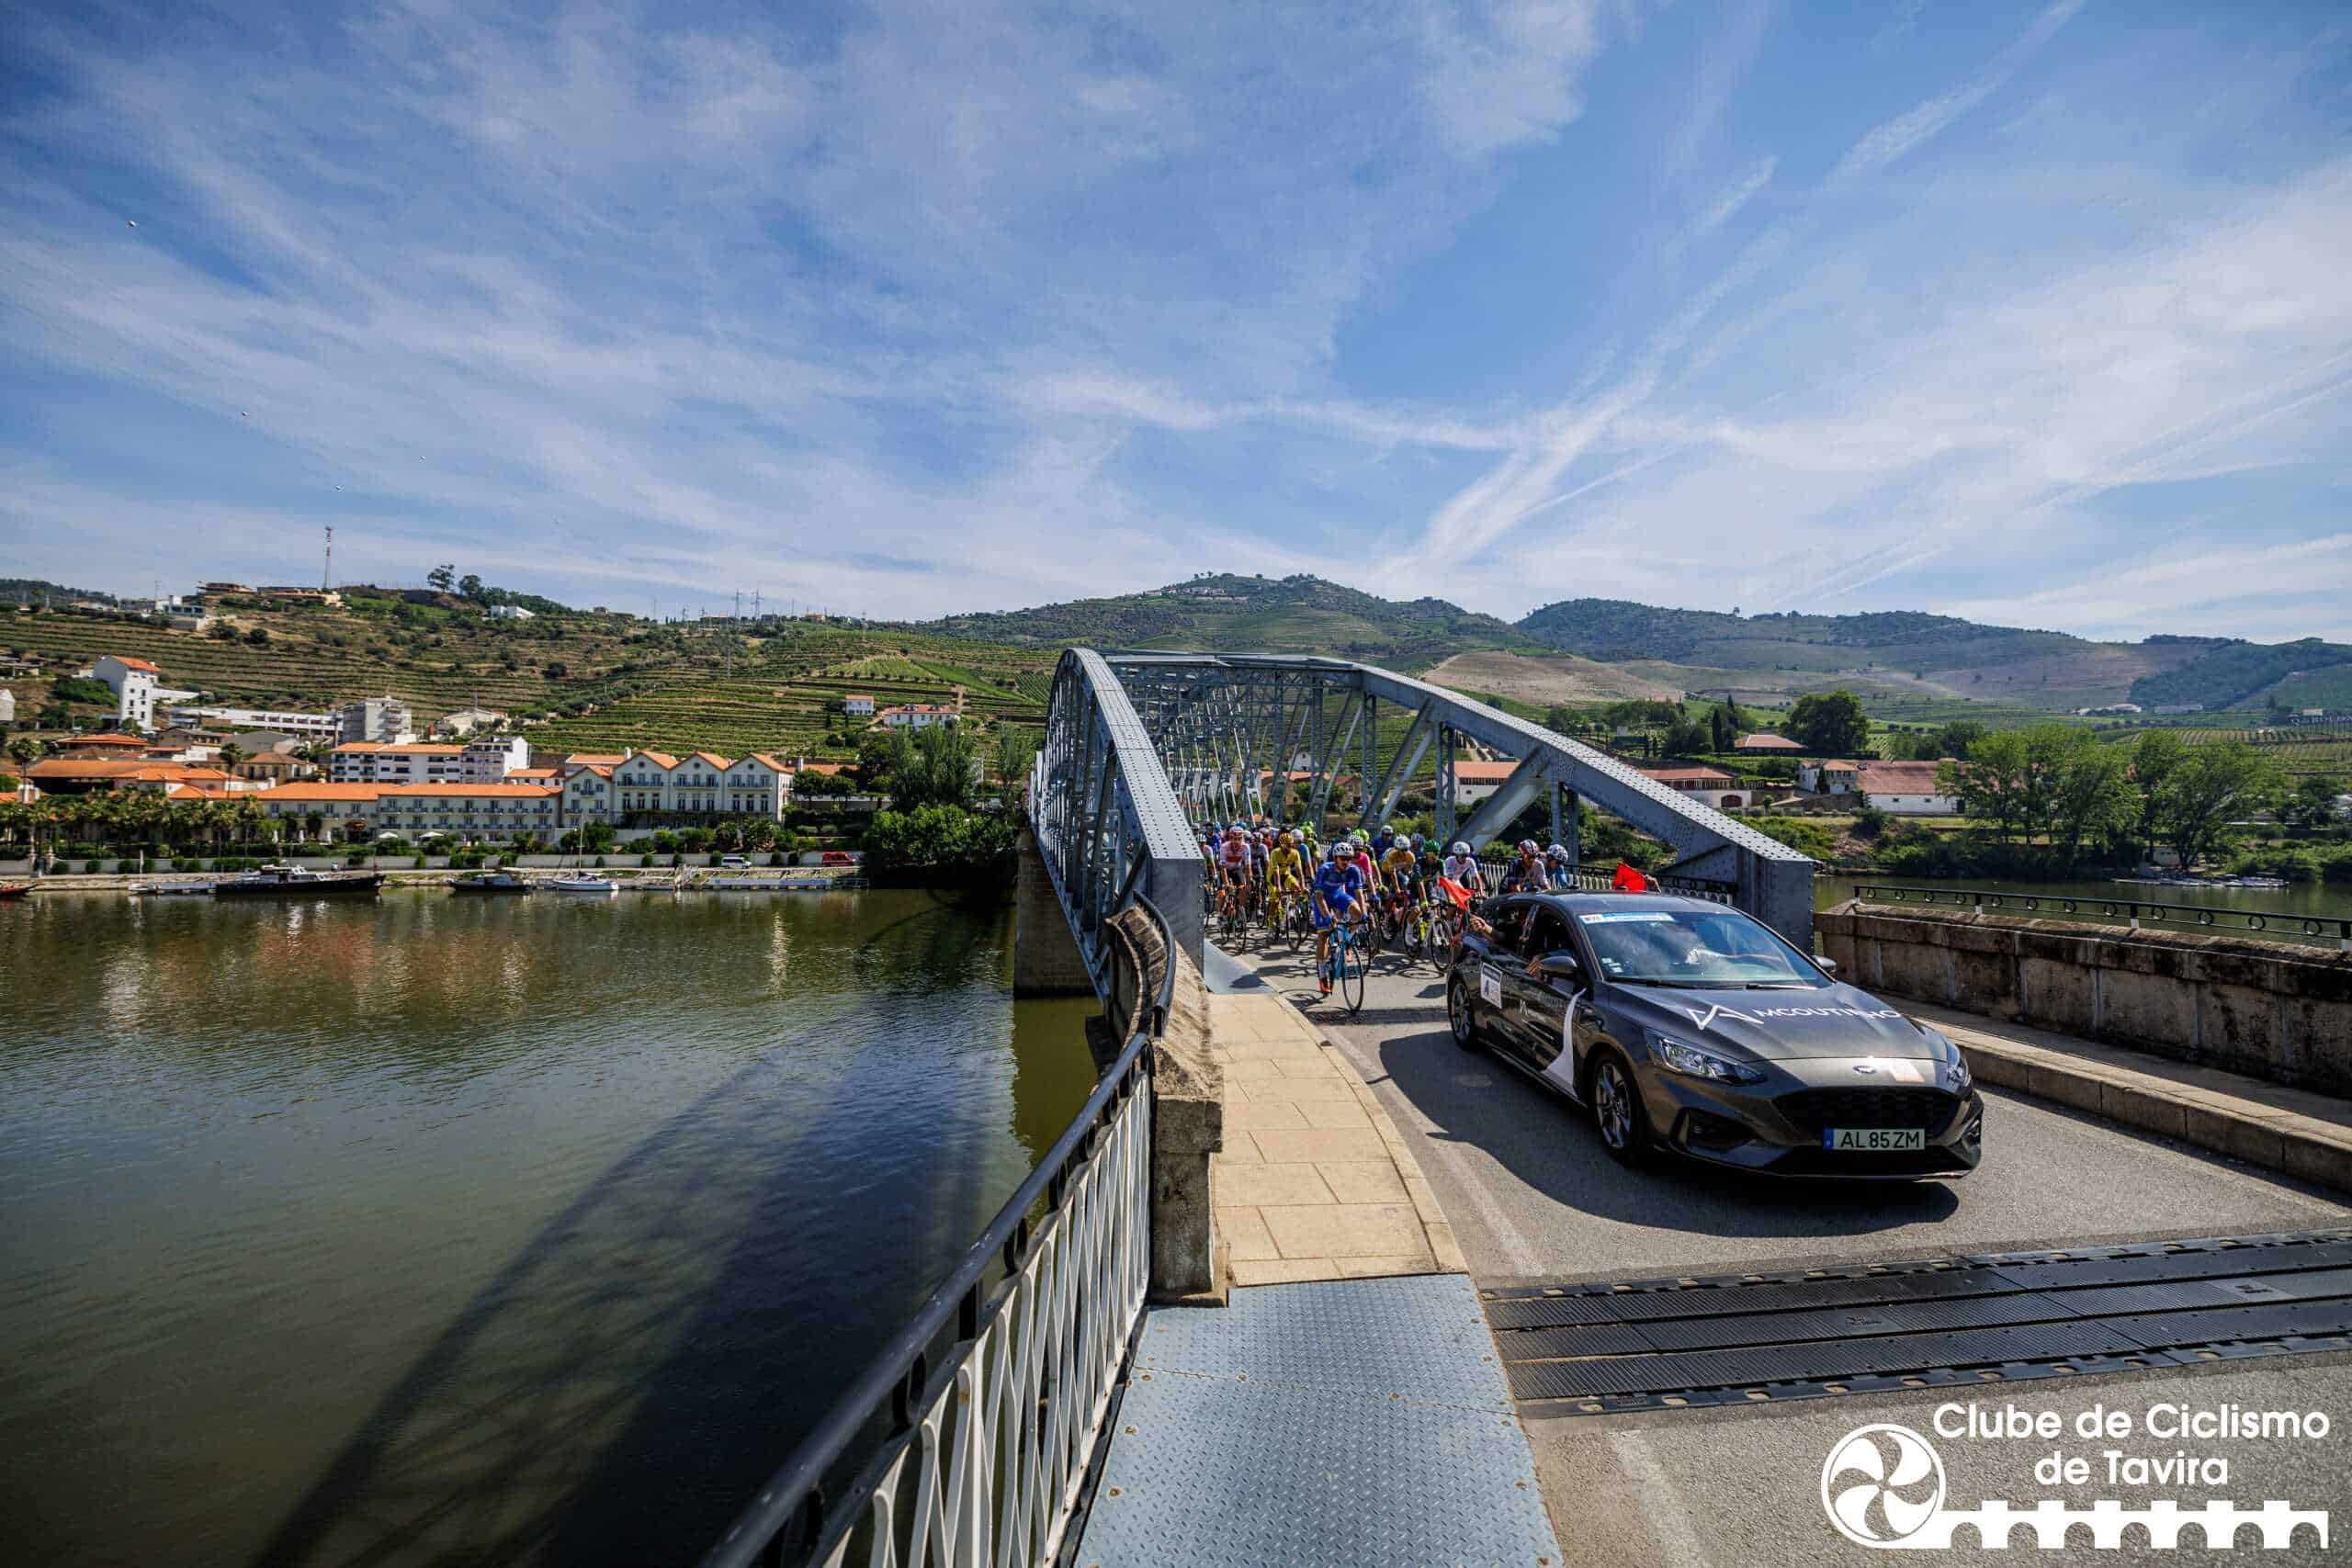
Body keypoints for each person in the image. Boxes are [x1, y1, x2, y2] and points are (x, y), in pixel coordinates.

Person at [1308, 840, 1367, 994]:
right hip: (1322, 899)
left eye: (1349, 858)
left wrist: (1364, 914)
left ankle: (1344, 941)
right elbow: (1319, 897)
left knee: (1357, 913)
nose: (1346, 861)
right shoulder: (1325, 869)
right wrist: (1328, 916)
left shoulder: (1354, 870)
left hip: (1338, 895)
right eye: (1343, 858)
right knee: (1323, 935)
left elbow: (1359, 894)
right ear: (1335, 858)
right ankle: (1322, 975)